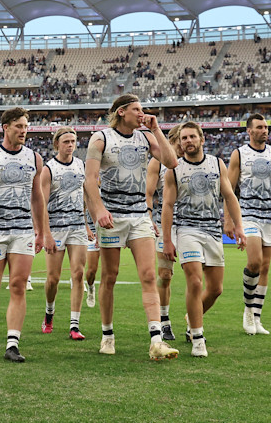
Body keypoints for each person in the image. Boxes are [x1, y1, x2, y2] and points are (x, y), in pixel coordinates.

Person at [84, 94, 179, 360]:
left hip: (139, 216)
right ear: (122, 112)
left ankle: (156, 340)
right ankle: (107, 334)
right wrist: (99, 210)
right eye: (137, 109)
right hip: (112, 216)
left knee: (149, 276)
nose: (142, 113)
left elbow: (172, 162)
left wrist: (157, 129)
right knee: (110, 276)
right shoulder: (101, 138)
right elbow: (90, 180)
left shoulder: (147, 137)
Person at [0, 107, 56, 362]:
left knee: (18, 285)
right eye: (19, 126)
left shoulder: (35, 158)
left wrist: (40, 231)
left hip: (23, 232)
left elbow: (37, 197)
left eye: (26, 127)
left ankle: (13, 344)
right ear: (5, 127)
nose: (23, 131)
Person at [161, 122, 247, 357]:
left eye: (191, 137)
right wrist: (168, 240)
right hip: (186, 230)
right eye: (183, 138)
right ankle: (198, 338)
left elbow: (229, 195)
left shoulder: (217, 163)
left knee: (216, 289)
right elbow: (167, 205)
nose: (187, 141)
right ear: (179, 143)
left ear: (201, 139)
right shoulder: (174, 169)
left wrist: (238, 226)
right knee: (195, 282)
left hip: (212, 230)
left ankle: (191, 318)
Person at [225, 113, 271, 336]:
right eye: (259, 127)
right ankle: (248, 310)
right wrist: (229, 220)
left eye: (266, 127)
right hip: (248, 215)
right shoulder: (239, 154)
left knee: (265, 268)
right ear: (249, 131)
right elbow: (229, 189)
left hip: (270, 216)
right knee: (255, 262)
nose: (264, 130)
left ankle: (257, 317)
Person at [40, 127, 91, 340]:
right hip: (56, 226)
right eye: (66, 141)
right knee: (53, 278)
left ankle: (74, 325)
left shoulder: (81, 165)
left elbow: (86, 195)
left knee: (78, 274)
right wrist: (46, 234)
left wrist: (87, 224)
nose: (70, 145)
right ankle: (49, 313)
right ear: (57, 144)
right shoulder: (48, 169)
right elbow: (41, 203)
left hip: (77, 225)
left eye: (73, 141)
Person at [146, 123, 182, 341]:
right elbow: (149, 193)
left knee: (195, 276)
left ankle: (194, 323)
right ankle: (165, 320)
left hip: (191, 225)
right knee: (165, 274)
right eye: (180, 141)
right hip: (165, 224)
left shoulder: (194, 161)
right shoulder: (157, 162)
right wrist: (149, 217)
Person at [83, 211, 99, 309]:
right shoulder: (85, 195)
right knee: (92, 270)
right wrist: (87, 228)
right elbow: (81, 210)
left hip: (107, 231)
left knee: (110, 271)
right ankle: (91, 287)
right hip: (91, 233)